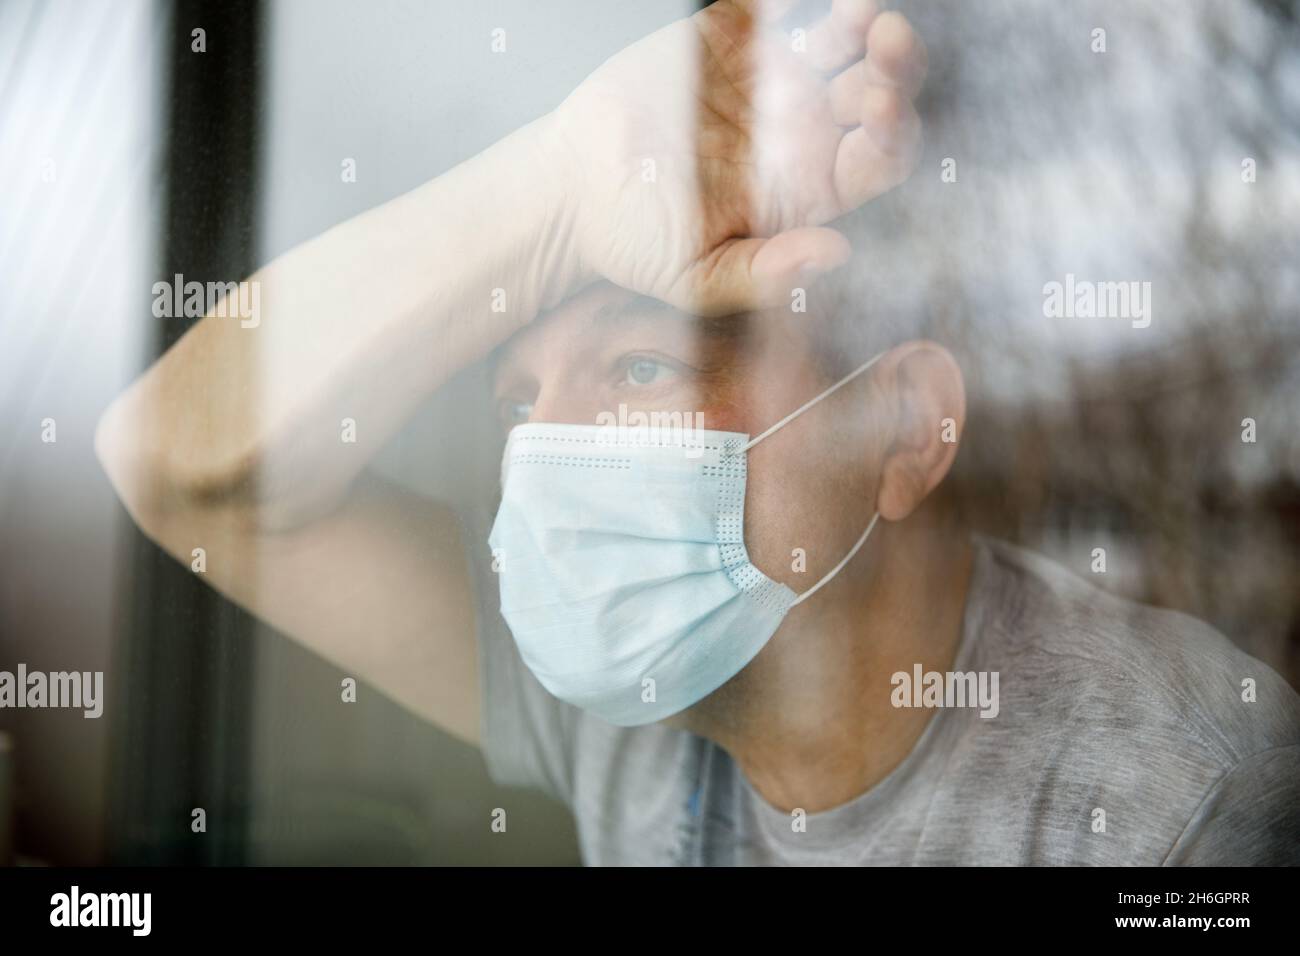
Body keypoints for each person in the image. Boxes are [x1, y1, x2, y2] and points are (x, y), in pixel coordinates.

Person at [94, 0, 1300, 865]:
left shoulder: (1187, 800)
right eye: (521, 400)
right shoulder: (632, 681)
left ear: (905, 428)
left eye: (638, 366)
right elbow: (171, 469)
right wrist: (557, 190)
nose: (543, 457)